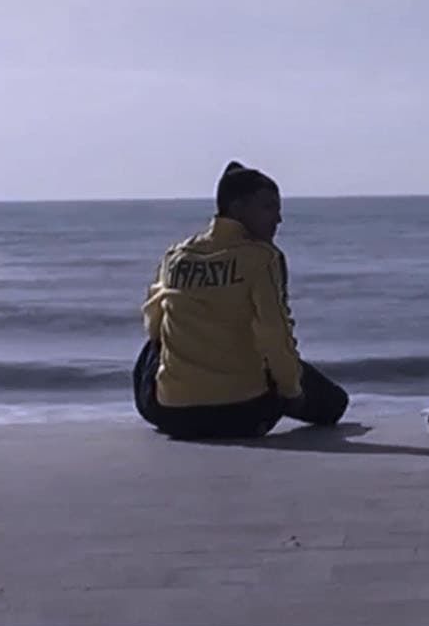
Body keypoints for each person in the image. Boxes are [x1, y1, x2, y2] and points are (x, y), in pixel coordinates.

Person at [134, 161, 350, 440]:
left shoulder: (176, 256)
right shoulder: (262, 258)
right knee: (334, 402)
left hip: (173, 415)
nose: (278, 219)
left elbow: (153, 325)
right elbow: (274, 333)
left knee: (156, 338)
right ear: (237, 208)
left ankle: (181, 396)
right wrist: (292, 392)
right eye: (269, 207)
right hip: (242, 415)